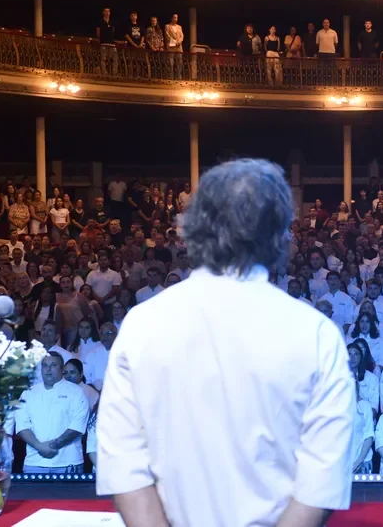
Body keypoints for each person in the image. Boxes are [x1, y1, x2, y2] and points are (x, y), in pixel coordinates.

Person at [96, 159, 354, 527]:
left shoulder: (142, 323)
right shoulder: (316, 333)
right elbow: (319, 483)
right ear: (281, 235)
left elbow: (124, 465)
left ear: (194, 229)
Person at [16, 352, 89, 474]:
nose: (48, 369)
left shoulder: (76, 392)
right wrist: (40, 447)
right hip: (34, 463)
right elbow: (22, 426)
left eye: (53, 365)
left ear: (62, 369)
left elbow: (77, 427)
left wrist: (52, 447)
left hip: (68, 464)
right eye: (45, 365)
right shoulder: (28, 393)